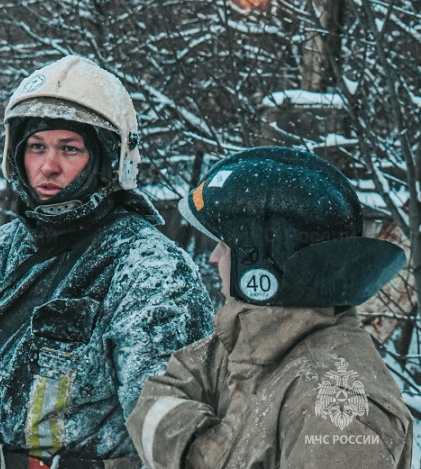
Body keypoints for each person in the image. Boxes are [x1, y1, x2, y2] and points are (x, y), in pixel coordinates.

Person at [0, 55, 214, 468]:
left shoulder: (149, 270)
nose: (48, 166)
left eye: (70, 149)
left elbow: (172, 431)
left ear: (108, 159)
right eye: (37, 147)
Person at [126, 146, 413, 469]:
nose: (213, 258)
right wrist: (210, 453)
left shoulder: (340, 404)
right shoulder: (244, 341)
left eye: (222, 245)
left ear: (260, 261)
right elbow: (155, 399)